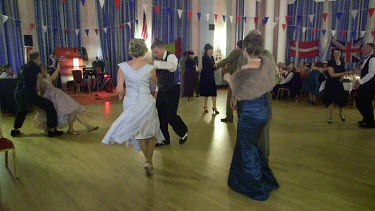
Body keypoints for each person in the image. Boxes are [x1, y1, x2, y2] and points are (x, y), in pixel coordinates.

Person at [224, 30, 279, 201]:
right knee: (246, 143)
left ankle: (258, 176)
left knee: (258, 141)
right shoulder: (243, 57)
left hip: (258, 103)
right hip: (246, 104)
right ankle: (248, 176)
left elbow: (272, 79)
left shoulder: (266, 57)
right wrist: (235, 97)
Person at [102, 39, 164, 176]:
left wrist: (120, 96)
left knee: (139, 133)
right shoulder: (149, 67)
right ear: (143, 50)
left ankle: (147, 160)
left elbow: (119, 89)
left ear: (130, 50)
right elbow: (155, 85)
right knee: (152, 131)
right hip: (146, 100)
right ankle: (149, 160)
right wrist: (154, 97)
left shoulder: (122, 67)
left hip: (130, 102)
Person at [34, 63, 99, 134]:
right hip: (54, 99)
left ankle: (87, 126)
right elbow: (41, 90)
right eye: (44, 69)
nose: (45, 70)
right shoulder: (40, 80)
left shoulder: (45, 77)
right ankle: (78, 128)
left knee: (74, 110)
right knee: (72, 110)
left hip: (58, 97)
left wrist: (58, 69)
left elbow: (52, 78)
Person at [11, 52, 63, 137]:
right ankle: (52, 130)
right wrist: (38, 92)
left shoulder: (23, 67)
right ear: (37, 58)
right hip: (28, 93)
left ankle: (15, 130)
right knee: (49, 105)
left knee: (22, 109)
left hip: (18, 92)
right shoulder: (35, 68)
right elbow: (38, 81)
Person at [150, 40, 188, 147]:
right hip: (162, 90)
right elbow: (159, 78)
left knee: (171, 115)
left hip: (173, 89)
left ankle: (183, 131)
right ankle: (164, 139)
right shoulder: (157, 59)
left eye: (156, 52)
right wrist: (156, 91)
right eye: (153, 53)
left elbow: (171, 67)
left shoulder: (171, 57)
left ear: (163, 49)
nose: (155, 55)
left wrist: (154, 63)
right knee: (160, 115)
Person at [215, 40, 243, 123]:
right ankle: (240, 115)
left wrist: (217, 65)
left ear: (238, 46)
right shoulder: (246, 53)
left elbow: (227, 60)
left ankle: (229, 116)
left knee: (231, 97)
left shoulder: (236, 52)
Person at [324, 48, 351, 124]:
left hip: (339, 83)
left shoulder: (342, 62)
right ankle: (330, 117)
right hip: (331, 83)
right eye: (335, 53)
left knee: (341, 100)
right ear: (333, 54)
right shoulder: (330, 62)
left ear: (341, 54)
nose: (337, 54)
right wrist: (344, 73)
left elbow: (343, 72)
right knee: (330, 100)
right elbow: (332, 75)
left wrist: (342, 77)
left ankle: (341, 114)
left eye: (338, 52)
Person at [354, 43, 375, 128]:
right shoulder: (368, 59)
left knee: (365, 102)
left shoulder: (373, 59)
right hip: (366, 84)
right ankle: (367, 119)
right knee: (361, 101)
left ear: (370, 49)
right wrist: (358, 71)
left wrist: (360, 82)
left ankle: (370, 122)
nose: (362, 49)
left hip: (370, 85)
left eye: (364, 48)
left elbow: (371, 74)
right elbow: (366, 72)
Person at [200, 44, 219, 114]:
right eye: (209, 49)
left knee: (214, 92)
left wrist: (216, 66)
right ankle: (205, 106)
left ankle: (214, 107)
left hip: (211, 76)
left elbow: (214, 67)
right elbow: (211, 66)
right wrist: (215, 66)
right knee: (206, 93)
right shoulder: (204, 58)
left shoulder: (212, 57)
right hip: (205, 77)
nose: (211, 51)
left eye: (211, 49)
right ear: (206, 50)